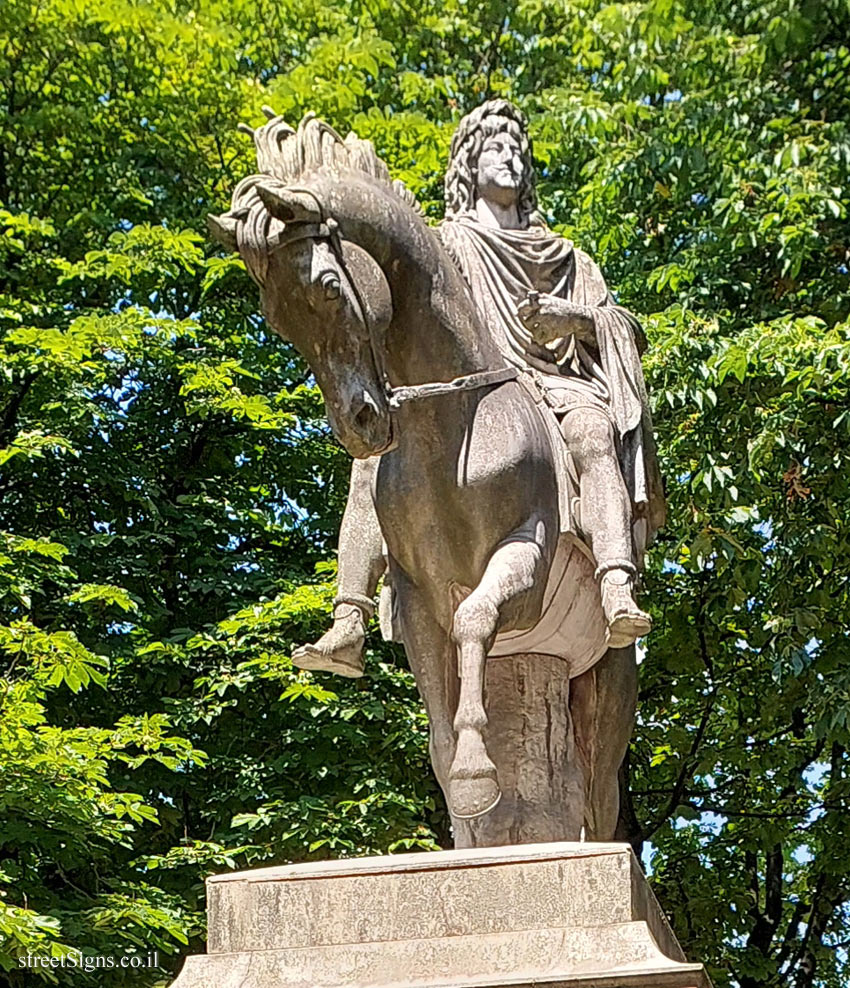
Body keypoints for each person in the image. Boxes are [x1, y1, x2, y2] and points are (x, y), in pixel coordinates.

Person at [293, 99, 665, 678]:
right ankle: (350, 618)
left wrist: (573, 320)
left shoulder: (566, 256)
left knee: (593, 433)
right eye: (496, 146)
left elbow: (626, 330)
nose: (510, 155)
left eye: (518, 147)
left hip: (555, 388)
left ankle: (616, 580)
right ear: (468, 164)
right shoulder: (450, 246)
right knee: (372, 461)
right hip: (473, 394)